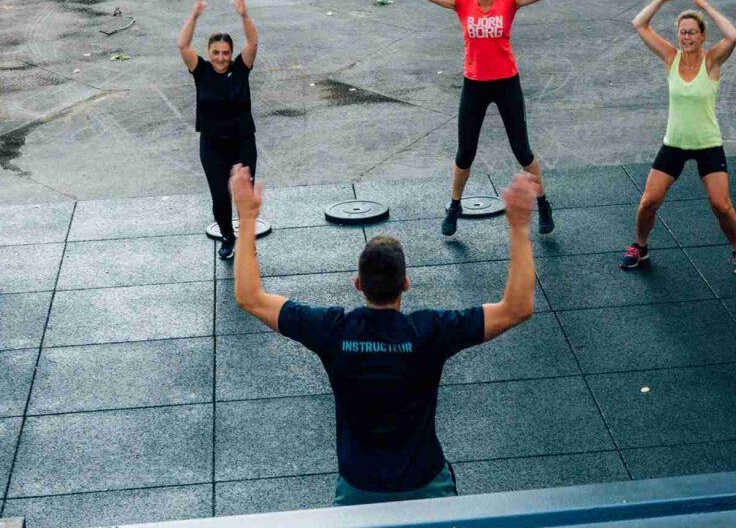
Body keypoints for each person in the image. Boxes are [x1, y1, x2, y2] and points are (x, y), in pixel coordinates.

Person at [229, 163, 538, 504]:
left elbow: (249, 297)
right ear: (405, 284)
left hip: (358, 488)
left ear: (357, 284)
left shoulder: (332, 330)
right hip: (426, 484)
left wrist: (246, 218)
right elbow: (516, 308)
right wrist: (519, 226)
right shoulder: (430, 331)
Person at [377, 0, 570, 238]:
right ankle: (455, 206)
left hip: (506, 83)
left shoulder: (509, 0)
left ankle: (543, 204)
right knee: (465, 152)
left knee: (522, 150)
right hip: (475, 85)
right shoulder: (462, 1)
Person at [623, 0, 736, 277]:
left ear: (702, 36)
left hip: (708, 144)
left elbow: (733, 35)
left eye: (692, 32)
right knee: (649, 201)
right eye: (682, 32)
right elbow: (639, 24)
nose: (687, 37)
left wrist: (701, 3)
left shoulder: (712, 60)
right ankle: (640, 246)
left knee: (721, 205)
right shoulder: (671, 57)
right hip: (675, 144)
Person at [179, 0, 259, 262]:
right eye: (216, 52)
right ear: (209, 52)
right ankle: (228, 237)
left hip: (242, 142)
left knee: (244, 196)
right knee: (220, 197)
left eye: (225, 53)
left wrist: (244, 15)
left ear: (231, 53)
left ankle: (247, 239)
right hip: (212, 145)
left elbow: (253, 42)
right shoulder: (201, 71)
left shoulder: (241, 68)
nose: (221, 58)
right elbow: (182, 45)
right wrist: (194, 15)